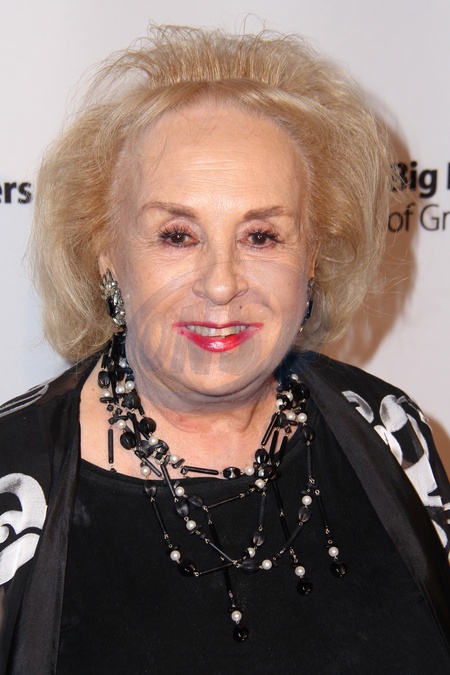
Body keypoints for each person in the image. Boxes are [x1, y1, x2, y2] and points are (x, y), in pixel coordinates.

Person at [0, 25, 449, 674]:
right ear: (107, 250)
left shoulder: (389, 432)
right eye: (177, 235)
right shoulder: (13, 477)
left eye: (261, 236)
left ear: (313, 254)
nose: (220, 283)